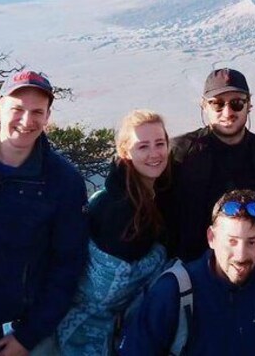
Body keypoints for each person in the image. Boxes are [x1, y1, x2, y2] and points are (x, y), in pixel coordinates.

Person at [0, 70, 88, 356]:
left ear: (48, 116)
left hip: (25, 331)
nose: (27, 121)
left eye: (37, 112)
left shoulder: (62, 181)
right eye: (17, 109)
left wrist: (28, 336)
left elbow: (68, 265)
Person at [120, 189, 255, 355]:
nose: (240, 255)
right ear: (212, 238)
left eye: (251, 242)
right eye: (231, 241)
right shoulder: (174, 290)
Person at [57, 110, 172, 355]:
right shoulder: (118, 211)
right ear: (124, 151)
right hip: (83, 336)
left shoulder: (149, 194)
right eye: (143, 147)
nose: (154, 154)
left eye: (160, 143)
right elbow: (105, 293)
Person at [168, 67, 255, 275]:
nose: (227, 113)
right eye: (217, 104)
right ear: (204, 105)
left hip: (254, 274)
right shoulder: (179, 154)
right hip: (190, 275)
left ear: (249, 105)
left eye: (236, 104)